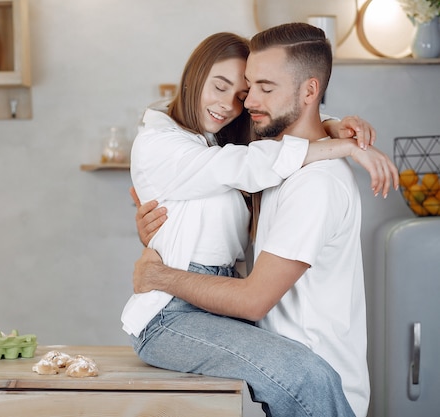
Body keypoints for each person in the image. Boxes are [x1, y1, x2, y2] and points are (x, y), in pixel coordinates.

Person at [124, 28, 398, 417]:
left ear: (308, 92)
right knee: (303, 374)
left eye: (257, 89)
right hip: (183, 310)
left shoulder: (307, 179)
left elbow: (252, 298)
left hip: (301, 356)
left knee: (306, 374)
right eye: (238, 88)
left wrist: (336, 130)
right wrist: (338, 138)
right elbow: (254, 159)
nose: (244, 103)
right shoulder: (185, 146)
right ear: (193, 78)